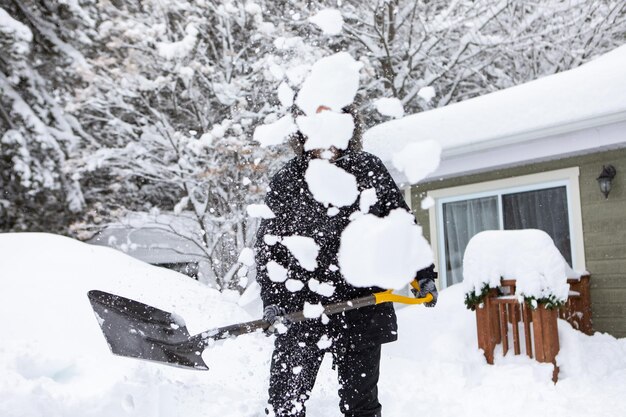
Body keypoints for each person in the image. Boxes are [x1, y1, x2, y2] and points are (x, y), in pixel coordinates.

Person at [255, 103, 438, 417]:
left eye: (334, 118)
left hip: (362, 305)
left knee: (361, 407)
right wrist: (273, 301)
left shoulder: (368, 168)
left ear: (348, 125)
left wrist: (422, 274)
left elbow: (400, 226)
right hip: (301, 307)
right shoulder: (288, 179)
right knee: (284, 406)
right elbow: (269, 248)